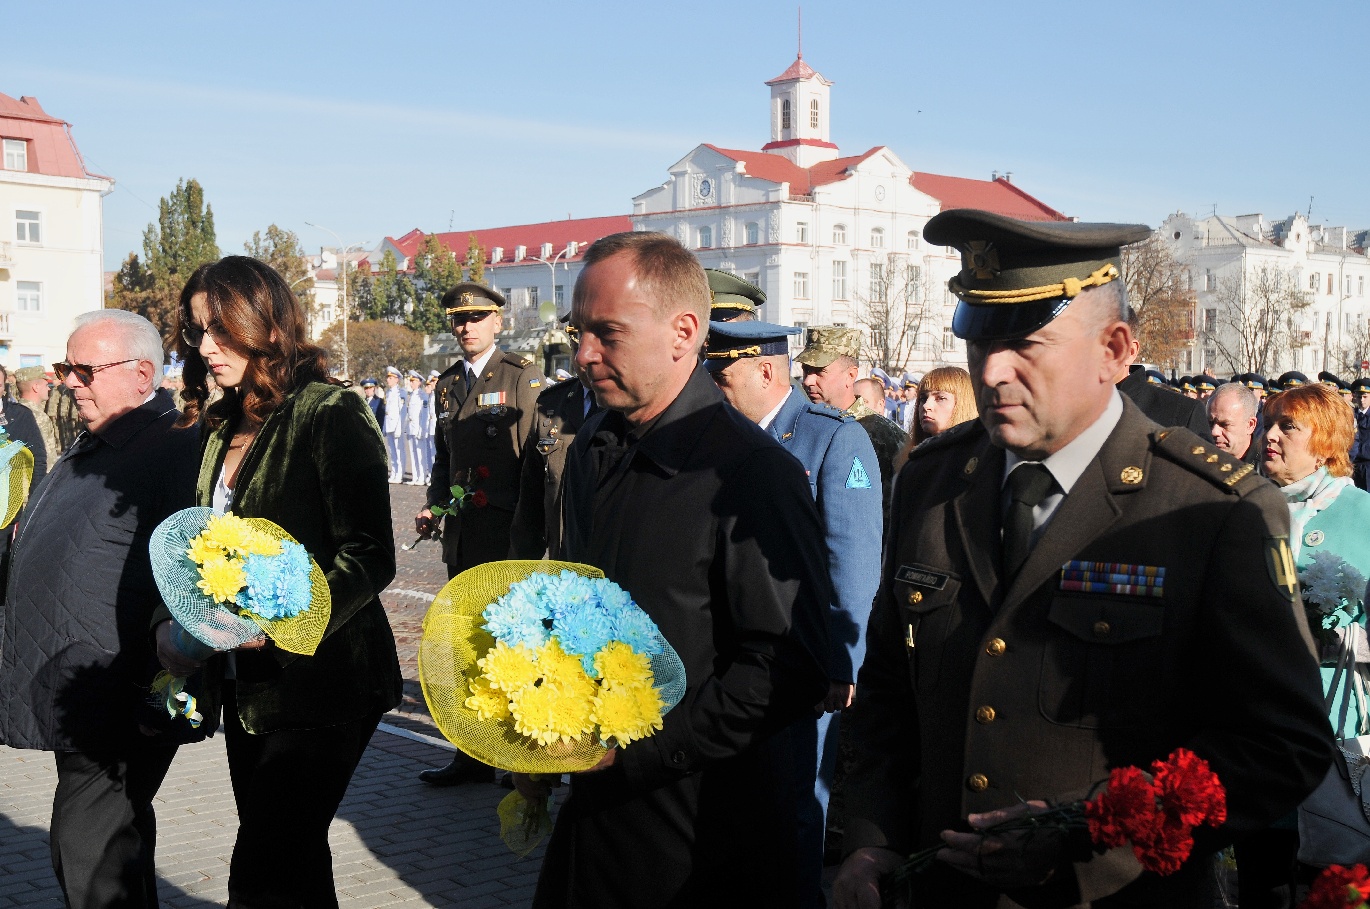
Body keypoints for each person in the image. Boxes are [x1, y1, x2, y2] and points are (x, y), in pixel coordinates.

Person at [833, 210, 1332, 909]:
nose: (993, 370)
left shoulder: (1211, 509)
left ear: (1115, 349)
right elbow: (889, 690)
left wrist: (1087, 841)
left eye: (1025, 343)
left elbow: (1282, 743)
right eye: (979, 340)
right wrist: (872, 837)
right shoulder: (934, 480)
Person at [521, 231, 830, 908]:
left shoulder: (751, 474)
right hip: (599, 826)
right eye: (578, 332)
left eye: (607, 333)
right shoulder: (595, 446)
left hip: (704, 841)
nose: (584, 354)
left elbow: (789, 669)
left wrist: (637, 752)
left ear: (683, 332)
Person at [157, 255, 402, 908]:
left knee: (266, 866)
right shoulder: (222, 426)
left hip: (325, 681)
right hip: (248, 686)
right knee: (292, 860)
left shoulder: (328, 411)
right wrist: (180, 623)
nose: (205, 346)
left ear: (265, 325)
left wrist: (283, 621)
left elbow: (369, 554)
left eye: (219, 329)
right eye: (197, 331)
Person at [0, 310, 199, 909]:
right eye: (67, 368)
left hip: (119, 685)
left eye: (85, 370)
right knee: (114, 841)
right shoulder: (104, 436)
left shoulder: (171, 446)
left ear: (142, 374)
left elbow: (190, 568)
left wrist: (158, 678)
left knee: (88, 844)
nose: (70, 382)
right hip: (79, 679)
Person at [705, 317, 882, 906]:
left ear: (764, 371)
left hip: (800, 656)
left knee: (796, 804)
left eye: (723, 376)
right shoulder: (717, 435)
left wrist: (840, 661)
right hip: (727, 653)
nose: (713, 387)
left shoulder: (831, 438)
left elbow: (852, 558)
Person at [1236, 381, 1370, 907]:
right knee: (1260, 872)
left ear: (1325, 442)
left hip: (1334, 723)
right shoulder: (1243, 504)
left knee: (1331, 880)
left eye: (1287, 426)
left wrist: (1338, 633)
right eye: (1268, 423)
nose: (1269, 435)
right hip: (1253, 723)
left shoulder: (1361, 513)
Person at [415, 282, 543, 786]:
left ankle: (521, 757)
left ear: (497, 322)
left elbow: (535, 462)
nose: (465, 327)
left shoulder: (520, 376)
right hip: (464, 535)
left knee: (513, 644)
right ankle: (472, 754)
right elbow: (444, 458)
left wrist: (531, 532)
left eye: (475, 317)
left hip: (507, 533)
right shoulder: (448, 383)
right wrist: (434, 506)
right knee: (468, 644)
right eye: (458, 319)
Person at [796, 327, 908, 506]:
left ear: (850, 375)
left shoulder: (884, 436)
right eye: (806, 370)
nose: (808, 381)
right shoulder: (799, 426)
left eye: (819, 372)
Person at [507, 367, 596, 561]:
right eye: (576, 351)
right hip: (563, 562)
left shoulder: (636, 405)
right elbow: (531, 501)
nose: (584, 357)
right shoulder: (552, 401)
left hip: (614, 569)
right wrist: (519, 567)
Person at [892, 365, 978, 473]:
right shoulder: (911, 462)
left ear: (963, 403)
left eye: (940, 398)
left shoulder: (977, 460)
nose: (926, 406)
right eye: (923, 398)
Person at [13, 365, 60, 464]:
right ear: (36, 387)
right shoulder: (38, 417)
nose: (49, 389)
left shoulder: (14, 412)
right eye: (46, 385)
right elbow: (46, 458)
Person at [1207, 381, 1261, 464]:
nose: (1214, 432)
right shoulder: (1197, 460)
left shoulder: (1267, 467)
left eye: (1224, 424)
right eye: (1210, 423)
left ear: (1250, 425)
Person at [403, 369, 429, 486]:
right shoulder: (411, 395)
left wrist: (421, 430)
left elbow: (423, 415)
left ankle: (422, 476)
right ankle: (415, 476)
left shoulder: (422, 396)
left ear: (419, 382)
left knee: (420, 454)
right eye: (411, 381)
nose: (411, 383)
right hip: (411, 428)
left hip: (418, 428)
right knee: (413, 454)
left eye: (413, 381)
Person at [382, 366, 405, 483]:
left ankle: (400, 474)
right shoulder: (389, 392)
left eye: (391, 378)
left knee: (399, 451)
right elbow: (387, 412)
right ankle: (394, 472)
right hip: (389, 426)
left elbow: (401, 412)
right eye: (388, 378)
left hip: (396, 426)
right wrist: (385, 427)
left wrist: (399, 428)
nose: (388, 380)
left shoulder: (400, 393)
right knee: (392, 451)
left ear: (397, 379)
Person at [1350, 376, 1370, 490]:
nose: (1362, 400)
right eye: (1359, 396)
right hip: (1353, 465)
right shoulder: (1350, 415)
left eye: (1365, 396)